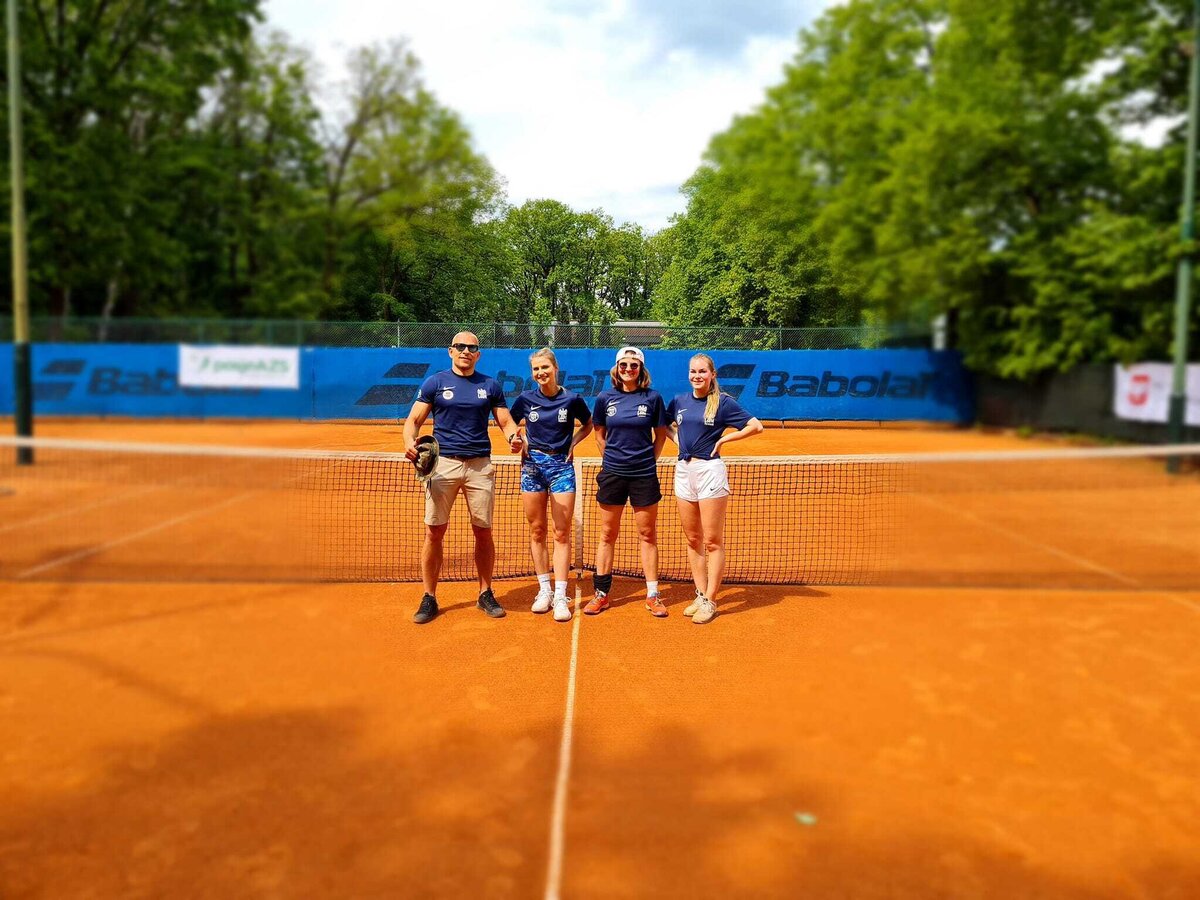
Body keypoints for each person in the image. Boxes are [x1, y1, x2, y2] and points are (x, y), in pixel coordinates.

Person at [403, 331, 523, 624]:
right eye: (460, 346)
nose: (465, 351)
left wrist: (513, 438)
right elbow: (414, 420)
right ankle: (429, 596)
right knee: (434, 531)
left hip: (479, 467)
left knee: (483, 531)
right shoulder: (435, 382)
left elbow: (505, 421)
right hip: (443, 466)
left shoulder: (490, 385)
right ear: (450, 351)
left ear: (478, 354)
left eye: (472, 347)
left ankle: (485, 593)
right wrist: (409, 441)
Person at [667, 353, 764, 624]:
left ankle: (711, 599)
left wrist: (723, 441)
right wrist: (679, 442)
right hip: (684, 471)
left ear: (712, 375)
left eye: (702, 371)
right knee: (692, 539)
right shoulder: (679, 401)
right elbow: (664, 426)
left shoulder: (723, 403)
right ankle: (700, 594)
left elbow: (756, 426)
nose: (697, 376)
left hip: (710, 472)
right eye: (693, 371)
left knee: (712, 541)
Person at [509, 348, 594, 623]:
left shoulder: (572, 399)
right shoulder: (525, 399)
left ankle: (560, 595)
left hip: (562, 468)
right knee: (537, 530)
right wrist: (518, 440)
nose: (540, 373)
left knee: (561, 532)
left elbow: (589, 424)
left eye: (545, 367)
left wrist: (573, 442)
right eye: (536, 369)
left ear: (555, 368)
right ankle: (544, 589)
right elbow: (509, 424)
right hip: (532, 468)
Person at [585, 346, 670, 617]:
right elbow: (599, 434)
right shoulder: (605, 398)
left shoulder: (653, 398)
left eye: (634, 365)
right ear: (617, 368)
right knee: (607, 534)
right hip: (613, 474)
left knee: (647, 534)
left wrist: (647, 461)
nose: (628, 369)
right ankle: (601, 594)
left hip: (644, 474)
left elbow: (661, 435)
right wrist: (612, 460)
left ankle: (653, 595)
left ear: (641, 369)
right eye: (624, 364)